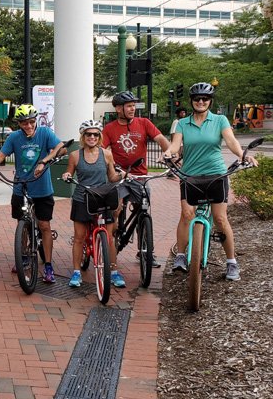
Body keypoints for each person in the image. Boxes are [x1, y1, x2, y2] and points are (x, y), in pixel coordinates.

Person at [167, 82, 258, 281]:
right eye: (197, 98)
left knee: (220, 219)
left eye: (205, 99)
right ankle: (181, 256)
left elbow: (231, 141)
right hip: (190, 176)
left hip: (216, 175)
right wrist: (168, 153)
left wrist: (243, 156)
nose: (201, 101)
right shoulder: (182, 123)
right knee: (186, 214)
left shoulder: (220, 120)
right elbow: (175, 145)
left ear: (210, 101)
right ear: (191, 101)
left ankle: (232, 262)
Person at [0, 104, 65, 282]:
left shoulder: (45, 133)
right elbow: (1, 156)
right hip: (21, 186)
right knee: (23, 224)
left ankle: (49, 265)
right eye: (24, 123)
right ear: (19, 124)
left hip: (42, 187)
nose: (28, 126)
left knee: (44, 225)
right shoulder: (14, 137)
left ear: (35, 121)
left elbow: (61, 147)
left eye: (31, 122)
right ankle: (24, 257)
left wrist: (44, 161)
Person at [102, 90, 171, 277]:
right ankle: (114, 240)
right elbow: (102, 150)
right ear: (118, 109)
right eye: (129, 106)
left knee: (143, 211)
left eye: (134, 105)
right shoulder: (109, 128)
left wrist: (169, 154)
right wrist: (110, 167)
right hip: (119, 176)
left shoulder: (144, 123)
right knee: (115, 209)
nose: (133, 109)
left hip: (139, 177)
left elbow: (161, 139)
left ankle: (145, 251)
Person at [62, 120, 123, 288]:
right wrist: (67, 175)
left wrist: (121, 175)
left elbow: (112, 177)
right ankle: (76, 272)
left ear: (99, 136)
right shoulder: (75, 155)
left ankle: (114, 271)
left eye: (95, 134)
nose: (92, 137)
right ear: (83, 136)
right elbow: (69, 171)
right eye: (88, 134)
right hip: (83, 198)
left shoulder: (107, 154)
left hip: (103, 198)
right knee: (79, 238)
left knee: (109, 238)